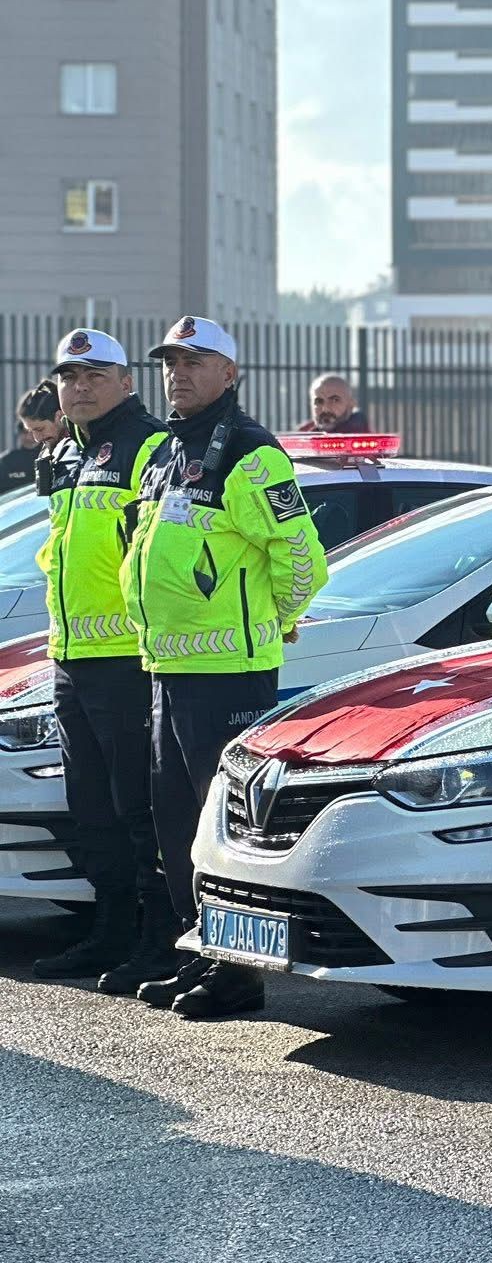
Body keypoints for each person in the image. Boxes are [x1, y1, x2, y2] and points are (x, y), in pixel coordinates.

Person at [118, 316, 328, 1017]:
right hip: (166, 669)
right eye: (171, 362)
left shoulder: (249, 451)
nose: (178, 372)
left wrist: (271, 618)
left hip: (229, 671)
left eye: (195, 360)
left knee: (223, 831)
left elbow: (303, 559)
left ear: (229, 373)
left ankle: (240, 977)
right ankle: (201, 952)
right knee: (175, 824)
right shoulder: (162, 454)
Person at [27, 330, 170, 985]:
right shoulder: (66, 452)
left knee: (138, 810)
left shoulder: (149, 445)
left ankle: (159, 940)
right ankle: (109, 932)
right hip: (72, 656)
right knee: (91, 809)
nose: (78, 387)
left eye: (93, 376)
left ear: (127, 382)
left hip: (126, 659)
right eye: (68, 377)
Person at [1, 380, 62, 493]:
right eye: (30, 431)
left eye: (39, 429)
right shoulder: (45, 455)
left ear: (58, 417)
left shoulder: (83, 450)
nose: (36, 438)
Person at [297, 374, 369, 434]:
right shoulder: (302, 434)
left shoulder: (364, 442)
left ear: (351, 404)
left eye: (335, 400)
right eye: (319, 401)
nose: (325, 408)